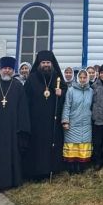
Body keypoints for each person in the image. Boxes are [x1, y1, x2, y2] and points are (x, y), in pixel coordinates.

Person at [0, 57, 30, 191]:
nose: (7, 71)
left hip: (12, 128)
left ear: (13, 70)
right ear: (0, 69)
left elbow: (23, 109)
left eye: (10, 69)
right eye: (5, 68)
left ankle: (12, 181)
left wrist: (22, 128)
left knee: (11, 154)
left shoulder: (17, 85)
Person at [23, 50, 66, 180]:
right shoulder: (32, 78)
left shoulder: (57, 77)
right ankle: (36, 172)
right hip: (36, 120)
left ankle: (51, 169)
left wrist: (61, 93)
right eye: (43, 62)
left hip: (53, 120)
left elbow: (66, 95)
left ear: (52, 63)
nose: (46, 65)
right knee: (37, 146)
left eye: (48, 62)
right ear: (39, 63)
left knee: (51, 145)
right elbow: (25, 99)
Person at [61, 69, 94, 173]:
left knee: (83, 145)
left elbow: (92, 106)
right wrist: (65, 121)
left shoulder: (91, 91)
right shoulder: (71, 90)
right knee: (72, 146)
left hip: (86, 123)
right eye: (81, 77)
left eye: (85, 77)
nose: (83, 79)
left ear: (87, 78)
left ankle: (81, 168)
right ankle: (71, 169)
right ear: (77, 78)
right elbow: (67, 106)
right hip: (73, 122)